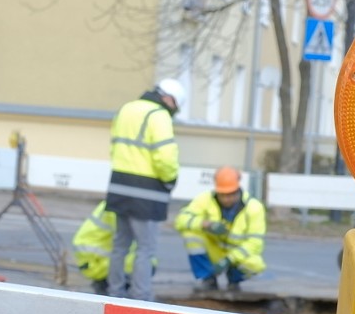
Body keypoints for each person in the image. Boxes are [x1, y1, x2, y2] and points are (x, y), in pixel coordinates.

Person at [105, 78, 185, 301]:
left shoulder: (126, 109)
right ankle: (141, 297)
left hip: (120, 184)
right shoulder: (159, 115)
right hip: (147, 190)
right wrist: (170, 179)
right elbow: (165, 156)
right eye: (175, 106)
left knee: (120, 245)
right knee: (145, 249)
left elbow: (115, 148)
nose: (173, 110)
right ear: (169, 99)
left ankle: (115, 292)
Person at [174, 166, 267, 292]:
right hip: (215, 250)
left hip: (236, 254)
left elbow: (255, 244)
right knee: (191, 236)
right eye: (222, 195)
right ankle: (207, 279)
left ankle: (234, 280)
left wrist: (229, 259)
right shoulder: (205, 199)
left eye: (230, 195)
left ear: (238, 189)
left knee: (255, 265)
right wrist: (205, 224)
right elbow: (181, 220)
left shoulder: (254, 208)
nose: (226, 199)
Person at [72, 200, 157, 295]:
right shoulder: (125, 206)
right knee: (147, 262)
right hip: (97, 262)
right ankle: (126, 293)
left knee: (142, 259)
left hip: (93, 261)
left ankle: (114, 289)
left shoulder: (114, 202)